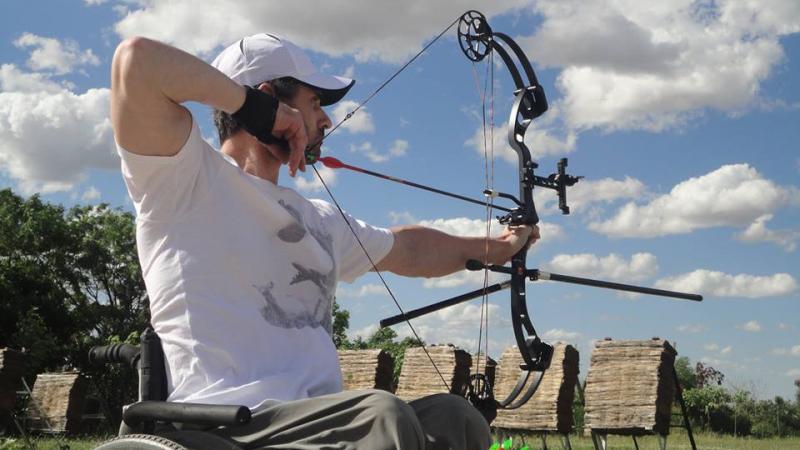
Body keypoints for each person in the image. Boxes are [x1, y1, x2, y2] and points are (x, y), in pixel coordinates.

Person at [111, 32, 538, 450]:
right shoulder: (183, 178)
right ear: (269, 98)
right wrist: (255, 108)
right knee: (381, 416)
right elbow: (137, 61)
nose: (326, 120)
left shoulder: (319, 218)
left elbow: (410, 250)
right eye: (315, 102)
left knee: (456, 418)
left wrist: (501, 247)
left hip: (317, 422)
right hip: (223, 426)